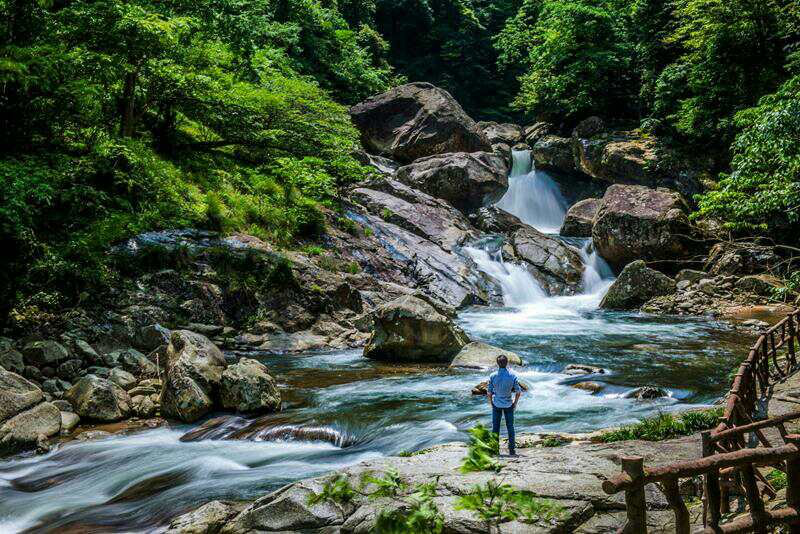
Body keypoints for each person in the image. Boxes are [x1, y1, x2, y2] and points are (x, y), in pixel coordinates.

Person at [487, 354, 522, 456]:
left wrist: (491, 403)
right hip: (508, 405)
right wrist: (515, 404)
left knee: (495, 428)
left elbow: (489, 392)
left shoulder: (492, 376)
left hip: (496, 404)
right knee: (510, 427)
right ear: (507, 363)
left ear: (497, 364)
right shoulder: (513, 376)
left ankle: (494, 450)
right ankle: (512, 451)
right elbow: (518, 392)